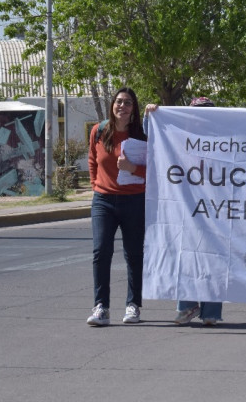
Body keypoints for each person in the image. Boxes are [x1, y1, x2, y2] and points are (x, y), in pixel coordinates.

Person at [86, 88, 147, 327]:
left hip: (134, 199)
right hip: (103, 200)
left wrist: (133, 169)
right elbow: (93, 159)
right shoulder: (99, 131)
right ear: (112, 105)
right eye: (119, 102)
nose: (122, 106)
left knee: (134, 254)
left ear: (134, 108)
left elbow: (156, 170)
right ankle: (101, 306)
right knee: (101, 252)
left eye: (128, 103)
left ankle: (133, 305)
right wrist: (95, 185)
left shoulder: (143, 134)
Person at [173, 96, 225, 326]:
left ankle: (211, 312)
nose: (201, 117)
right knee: (187, 256)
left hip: (218, 207)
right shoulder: (177, 139)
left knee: (215, 258)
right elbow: (151, 132)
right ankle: (187, 306)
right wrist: (149, 114)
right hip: (187, 206)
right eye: (196, 112)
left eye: (206, 112)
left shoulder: (225, 140)